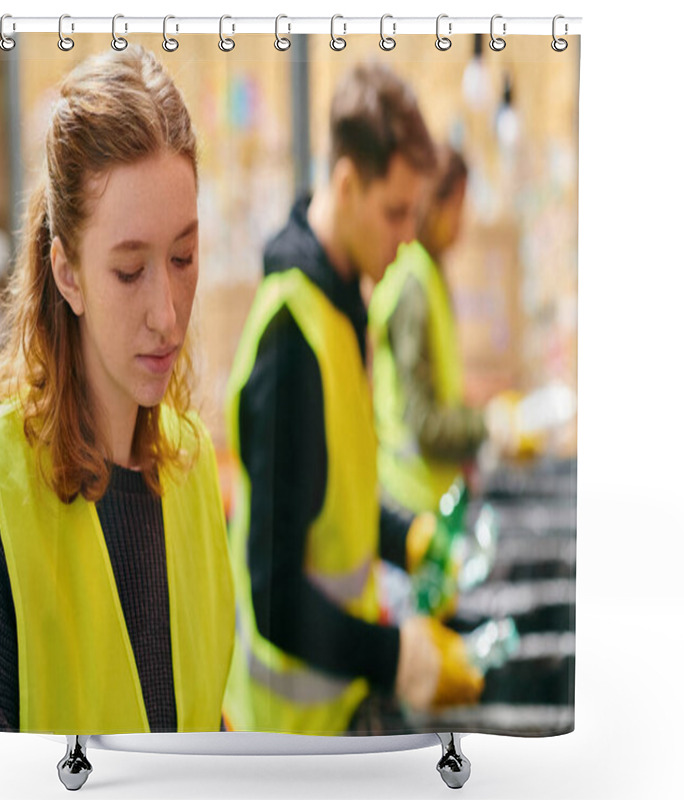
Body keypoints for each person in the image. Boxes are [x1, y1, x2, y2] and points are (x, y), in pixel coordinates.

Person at [0, 46, 234, 734]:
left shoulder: (191, 475)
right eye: (129, 271)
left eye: (184, 258)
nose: (167, 312)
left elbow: (202, 730)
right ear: (67, 274)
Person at [222, 64, 484, 737]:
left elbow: (332, 497)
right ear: (344, 184)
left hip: (337, 707)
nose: (407, 235)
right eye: (395, 212)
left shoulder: (344, 311)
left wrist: (408, 537)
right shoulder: (291, 342)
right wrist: (399, 657)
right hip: (285, 736)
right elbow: (274, 601)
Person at [369, 144, 487, 515]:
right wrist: (486, 427)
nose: (461, 222)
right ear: (434, 203)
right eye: (457, 207)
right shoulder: (414, 285)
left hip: (431, 497)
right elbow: (423, 421)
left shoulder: (430, 277)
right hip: (409, 502)